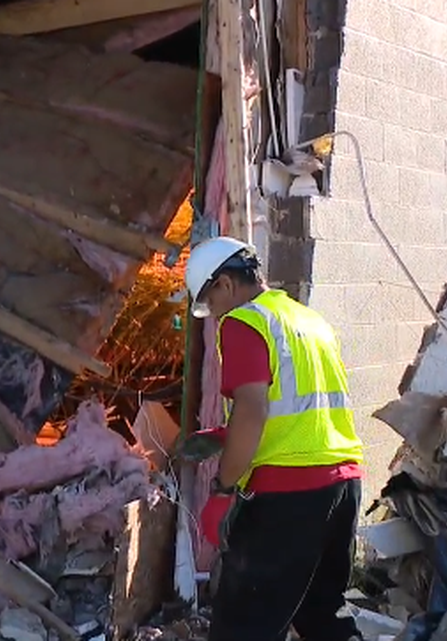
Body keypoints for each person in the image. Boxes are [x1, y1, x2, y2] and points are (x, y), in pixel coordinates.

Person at [182, 237, 365, 641]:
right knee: (323, 617)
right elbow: (299, 410)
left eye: (209, 304)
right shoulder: (308, 320)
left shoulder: (245, 321)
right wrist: (227, 436)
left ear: (225, 285)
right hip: (343, 485)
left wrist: (222, 490)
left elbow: (253, 409)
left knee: (243, 626)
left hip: (288, 495)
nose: (212, 315)